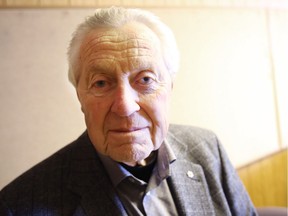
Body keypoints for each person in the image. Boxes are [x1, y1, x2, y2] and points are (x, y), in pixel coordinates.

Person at [0, 7, 257, 216]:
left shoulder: (207, 148)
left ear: (170, 87)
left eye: (145, 80)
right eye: (101, 82)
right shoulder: (18, 206)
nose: (124, 106)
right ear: (80, 96)